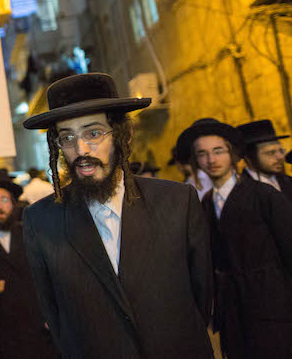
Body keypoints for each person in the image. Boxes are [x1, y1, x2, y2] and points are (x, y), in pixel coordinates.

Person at [21, 73, 214, 358]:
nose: (81, 150)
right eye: (67, 137)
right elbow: (55, 315)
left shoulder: (176, 201)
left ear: (123, 134)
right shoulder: (41, 221)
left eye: (94, 133)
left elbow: (201, 297)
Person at [177, 117, 292, 358]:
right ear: (196, 160)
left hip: (273, 309)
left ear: (232, 153)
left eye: (218, 151)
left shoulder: (263, 195)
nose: (211, 160)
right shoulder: (205, 204)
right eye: (203, 154)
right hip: (233, 315)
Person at [0, 170, 57, 358]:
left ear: (13, 204)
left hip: (42, 328)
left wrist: (53, 315)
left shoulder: (31, 234)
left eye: (4, 200)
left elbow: (50, 277)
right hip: (7, 332)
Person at [237, 119, 292, 200]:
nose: (280, 157)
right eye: (271, 153)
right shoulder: (239, 192)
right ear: (249, 158)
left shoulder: (289, 182)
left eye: (281, 151)